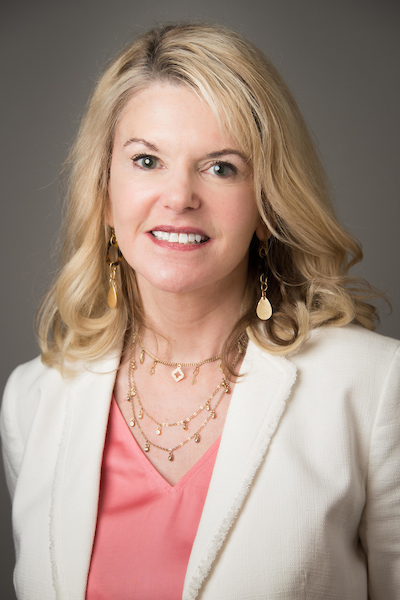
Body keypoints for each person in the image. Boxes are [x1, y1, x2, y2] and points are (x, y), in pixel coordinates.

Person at [1, 22, 399, 600]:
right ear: (104, 193)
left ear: (266, 206)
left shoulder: (374, 388)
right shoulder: (31, 402)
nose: (180, 196)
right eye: (146, 161)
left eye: (220, 168)